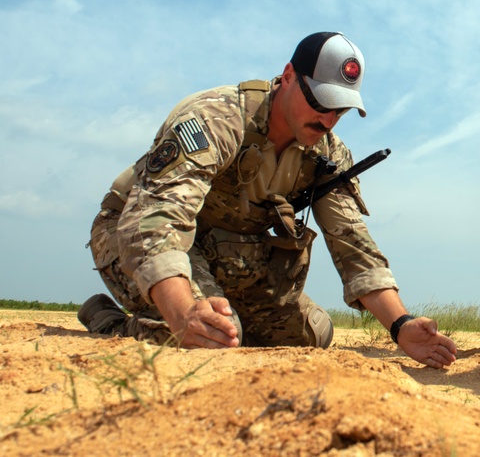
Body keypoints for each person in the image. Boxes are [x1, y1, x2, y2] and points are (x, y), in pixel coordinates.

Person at [79, 32, 457, 369]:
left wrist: (401, 326)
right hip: (139, 236)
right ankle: (111, 323)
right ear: (289, 77)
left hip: (229, 254)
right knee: (215, 340)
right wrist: (182, 315)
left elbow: (353, 243)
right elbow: (156, 218)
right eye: (322, 103)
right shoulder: (217, 119)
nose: (328, 121)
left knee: (315, 335)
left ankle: (211, 312)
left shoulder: (327, 154)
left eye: (340, 110)